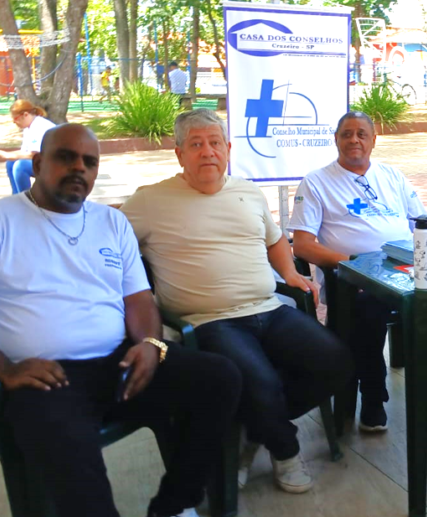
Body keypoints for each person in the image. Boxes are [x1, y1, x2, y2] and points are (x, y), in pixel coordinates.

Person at [0, 124, 241, 517]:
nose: (79, 168)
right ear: (37, 164)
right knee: (73, 462)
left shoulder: (111, 222)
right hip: (46, 380)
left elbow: (139, 298)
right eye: (66, 157)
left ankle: (174, 504)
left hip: (120, 363)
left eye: (89, 162)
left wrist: (150, 344)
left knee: (220, 379)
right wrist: (3, 369)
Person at [120, 109, 354, 494]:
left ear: (228, 149)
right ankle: (285, 449)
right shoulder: (150, 201)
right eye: (196, 144)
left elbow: (275, 239)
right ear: (179, 154)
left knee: (336, 361)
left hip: (269, 308)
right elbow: (108, 241)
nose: (207, 151)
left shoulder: (247, 191)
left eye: (215, 143)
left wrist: (290, 273)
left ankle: (253, 425)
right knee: (260, 381)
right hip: (208, 319)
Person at [289, 111, 427, 431]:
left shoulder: (392, 176)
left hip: (402, 268)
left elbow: (421, 222)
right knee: (368, 307)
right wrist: (354, 263)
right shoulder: (316, 182)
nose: (354, 140)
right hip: (351, 277)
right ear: (336, 140)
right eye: (346, 134)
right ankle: (373, 396)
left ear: (374, 140)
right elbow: (302, 245)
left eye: (362, 134)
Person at [0, 99, 56, 194]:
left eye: (15, 119)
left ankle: (26, 199)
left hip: (57, 165)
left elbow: (33, 155)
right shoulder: (28, 127)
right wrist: (5, 154)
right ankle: (16, 196)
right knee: (11, 162)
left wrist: (6, 155)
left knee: (21, 166)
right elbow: (24, 152)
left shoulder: (39, 126)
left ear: (25, 115)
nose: (14, 122)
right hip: (47, 162)